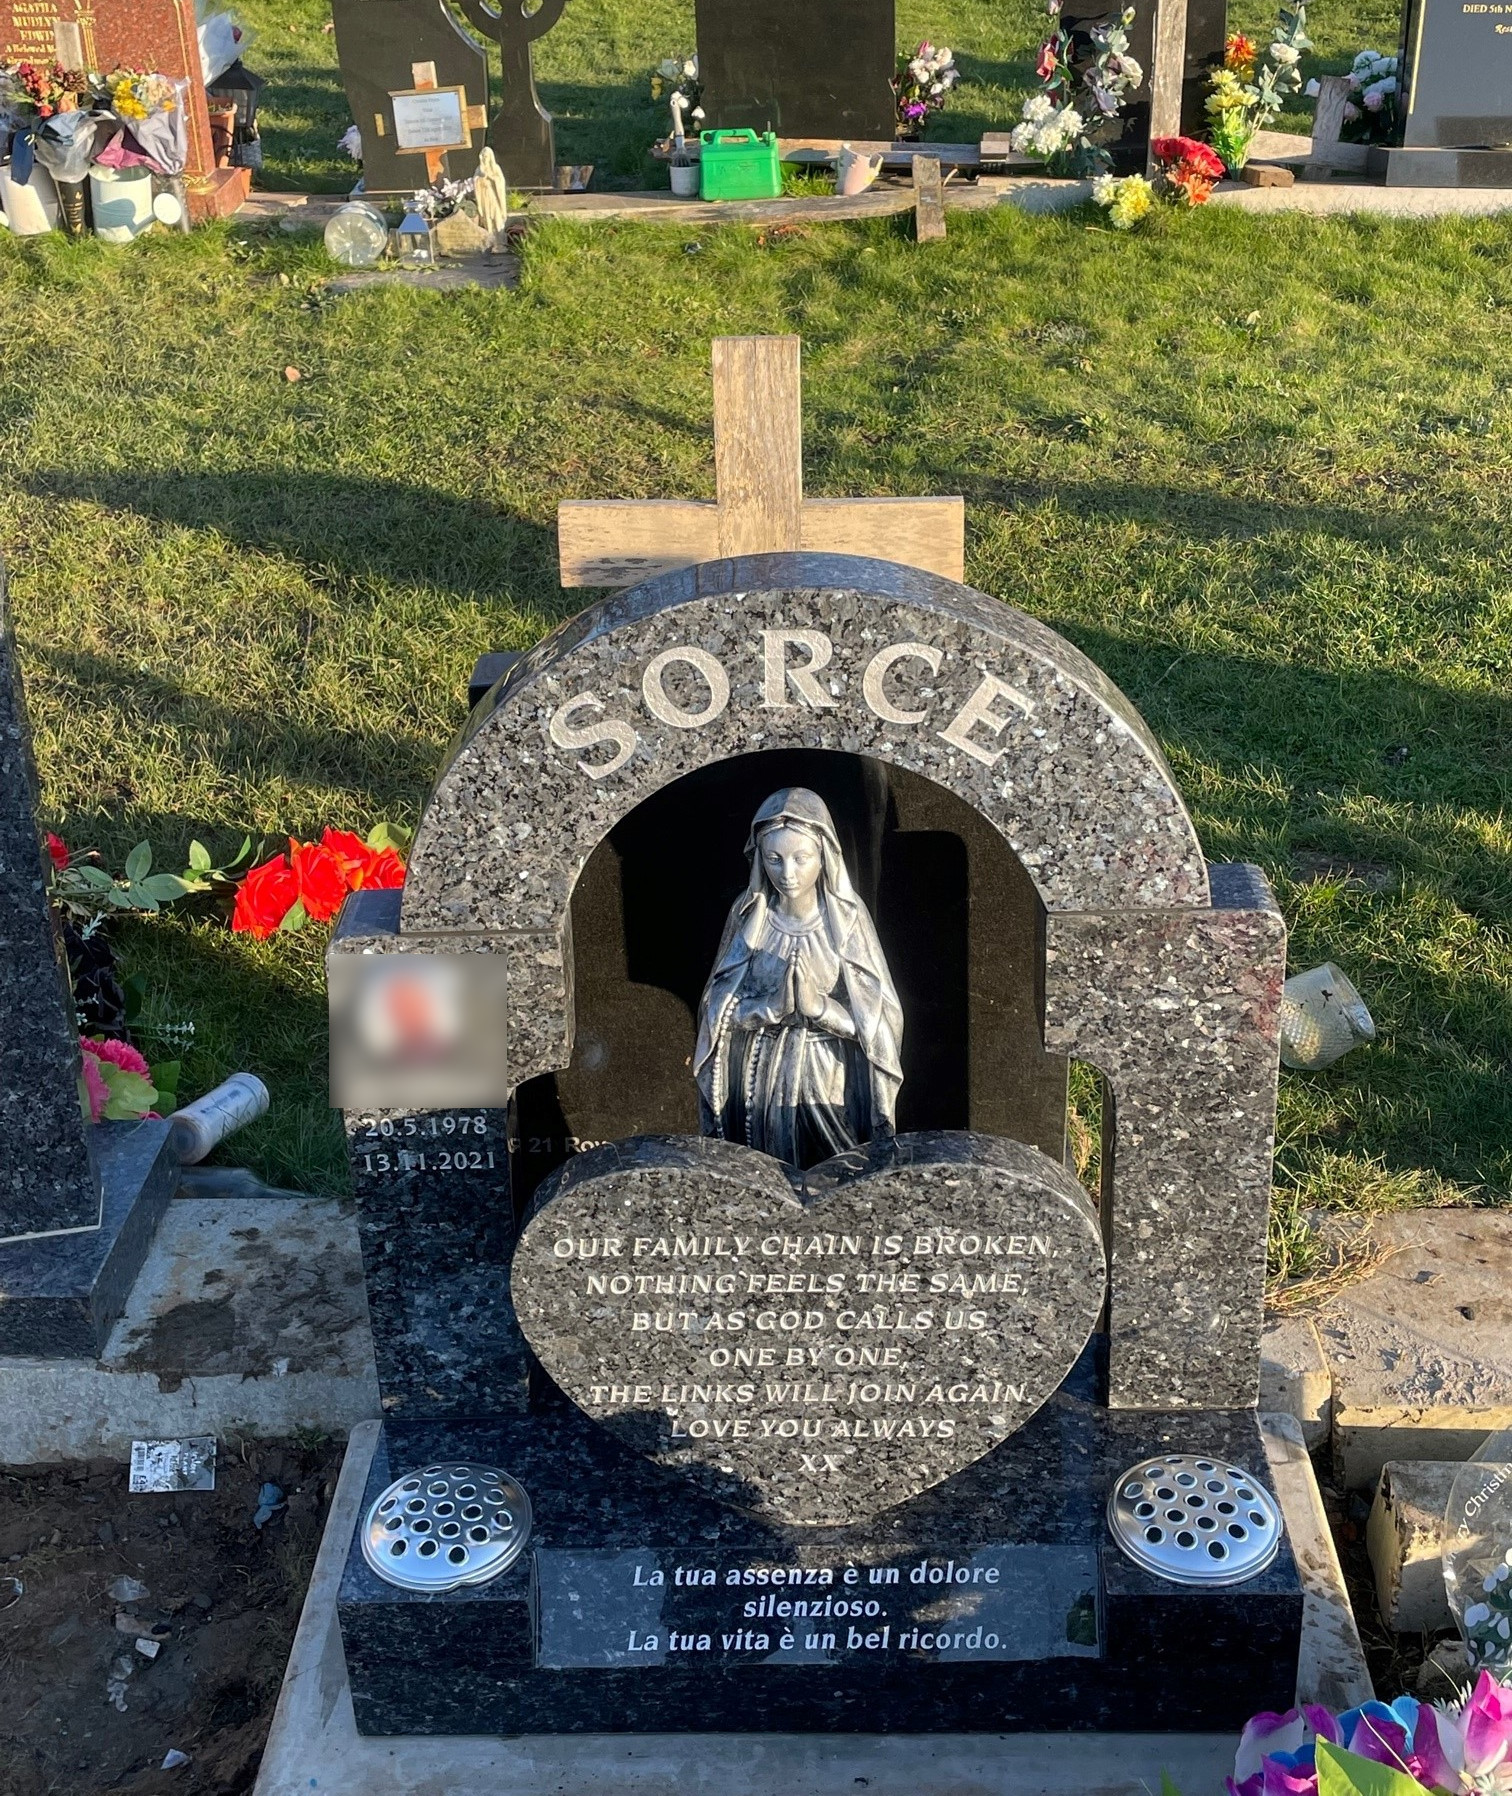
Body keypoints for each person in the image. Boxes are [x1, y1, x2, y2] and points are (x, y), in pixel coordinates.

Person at [694, 788, 903, 1168]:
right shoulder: (747, 916)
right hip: (757, 1073)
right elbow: (715, 1012)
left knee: (839, 1175)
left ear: (824, 857)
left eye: (800, 858)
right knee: (765, 1173)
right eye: (774, 859)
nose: (787, 873)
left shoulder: (847, 919)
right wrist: (770, 1009)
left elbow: (881, 1024)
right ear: (759, 859)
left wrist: (820, 1008)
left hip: (830, 1074)